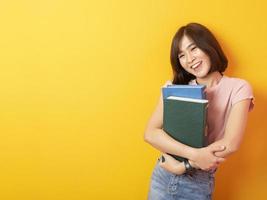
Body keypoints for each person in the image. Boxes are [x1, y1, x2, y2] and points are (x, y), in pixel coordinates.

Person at [144, 22, 254, 200]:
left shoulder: (239, 88)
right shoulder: (175, 88)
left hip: (197, 183)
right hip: (163, 176)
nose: (189, 59)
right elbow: (150, 133)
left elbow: (231, 143)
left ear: (208, 46)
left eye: (193, 48)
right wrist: (193, 157)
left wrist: (184, 166)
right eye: (181, 55)